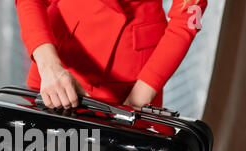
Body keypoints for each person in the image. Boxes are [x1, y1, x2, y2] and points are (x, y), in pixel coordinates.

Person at [15, 0, 207, 109]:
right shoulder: (52, 66)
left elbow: (186, 19)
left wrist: (140, 96)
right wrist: (49, 66)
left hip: (137, 79)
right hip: (57, 61)